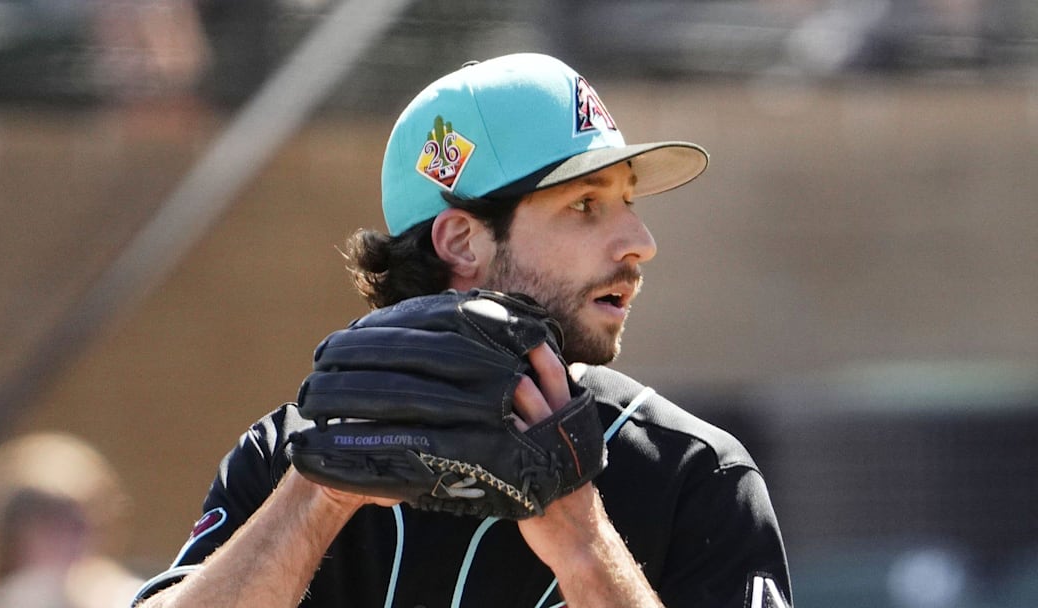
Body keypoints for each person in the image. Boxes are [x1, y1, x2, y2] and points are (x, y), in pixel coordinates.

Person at [132, 53, 791, 608]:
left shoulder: (694, 472)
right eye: (585, 205)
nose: (640, 243)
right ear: (461, 241)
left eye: (628, 204)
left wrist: (583, 542)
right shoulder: (291, 455)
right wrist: (312, 500)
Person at [0, 432, 144, 608]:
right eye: (52, 528)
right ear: (10, 536)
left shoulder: (123, 598)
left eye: (80, 526)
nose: (71, 541)